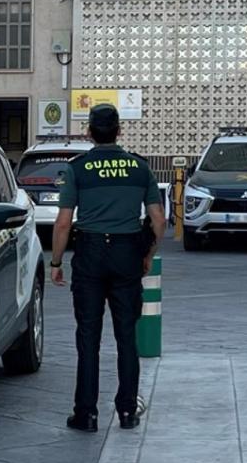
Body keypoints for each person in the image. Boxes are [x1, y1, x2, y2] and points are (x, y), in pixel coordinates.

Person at [50, 104, 166, 433]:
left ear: (89, 132)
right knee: (126, 336)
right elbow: (159, 219)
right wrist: (147, 254)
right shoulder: (139, 168)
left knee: (88, 338)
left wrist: (56, 262)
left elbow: (62, 224)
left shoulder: (78, 169)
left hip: (89, 254)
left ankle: (86, 414)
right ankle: (128, 411)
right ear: (119, 131)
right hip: (128, 253)